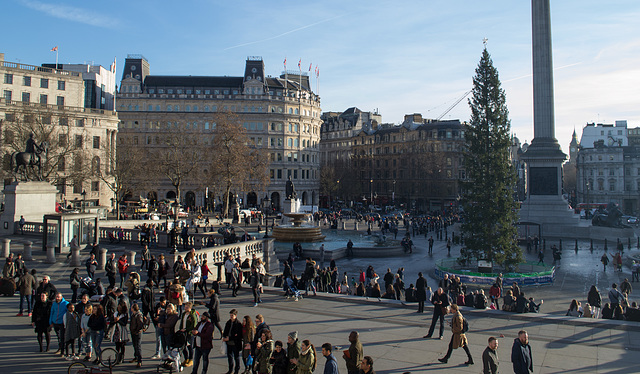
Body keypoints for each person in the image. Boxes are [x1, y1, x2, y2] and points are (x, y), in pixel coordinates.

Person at [223, 309, 243, 374]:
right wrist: (225, 337)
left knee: (236, 358)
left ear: (235, 315)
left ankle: (236, 371)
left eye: (232, 315)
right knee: (230, 357)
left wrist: (229, 338)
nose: (231, 317)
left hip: (235, 344)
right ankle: (230, 370)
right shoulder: (228, 322)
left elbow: (238, 336)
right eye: (230, 315)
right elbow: (225, 331)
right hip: (229, 343)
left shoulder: (238, 324)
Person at [129, 303, 145, 367]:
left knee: (138, 346)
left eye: (132, 307)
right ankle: (136, 357)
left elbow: (140, 324)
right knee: (135, 345)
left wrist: (136, 331)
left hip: (137, 333)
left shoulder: (138, 315)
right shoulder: (133, 314)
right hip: (133, 332)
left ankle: (139, 360)